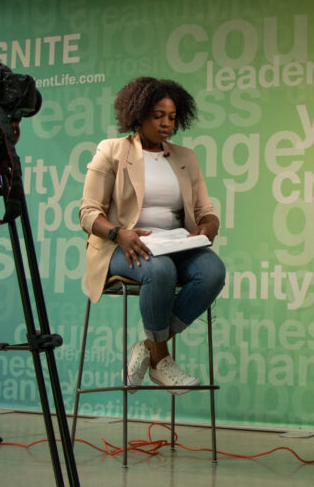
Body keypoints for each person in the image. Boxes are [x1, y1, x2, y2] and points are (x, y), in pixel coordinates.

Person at [80, 76, 225, 394]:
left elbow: (205, 211)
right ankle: (162, 360)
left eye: (172, 117)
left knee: (212, 270)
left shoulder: (185, 158)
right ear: (139, 113)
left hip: (173, 243)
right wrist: (120, 233)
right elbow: (88, 213)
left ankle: (147, 348)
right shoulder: (112, 151)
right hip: (122, 246)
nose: (166, 124)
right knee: (160, 270)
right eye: (158, 115)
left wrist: (209, 227)